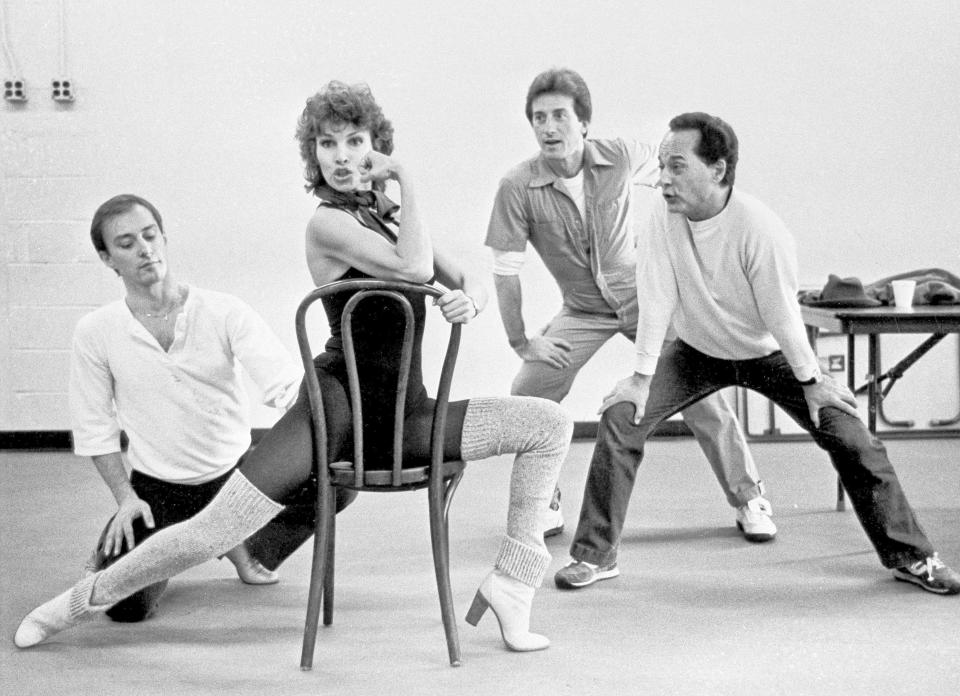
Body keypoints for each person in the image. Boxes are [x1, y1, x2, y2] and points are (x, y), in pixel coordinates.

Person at [15, 81, 572, 652]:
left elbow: (463, 274)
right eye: (327, 145)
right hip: (334, 408)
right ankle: (72, 604)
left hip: (404, 419)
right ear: (315, 156)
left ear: (373, 144)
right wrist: (405, 174)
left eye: (355, 141)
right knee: (216, 529)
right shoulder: (327, 223)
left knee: (547, 424)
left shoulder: (387, 213)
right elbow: (416, 265)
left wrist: (470, 300)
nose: (343, 157)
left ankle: (514, 584)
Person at [553, 112, 960, 595]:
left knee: (849, 434)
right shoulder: (664, 218)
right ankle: (595, 555)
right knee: (622, 415)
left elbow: (782, 315)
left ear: (719, 170)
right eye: (661, 166)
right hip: (696, 351)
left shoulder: (759, 229)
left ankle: (912, 557)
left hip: (767, 353)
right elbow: (657, 296)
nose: (662, 179)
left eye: (677, 166)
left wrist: (813, 383)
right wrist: (640, 377)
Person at [486, 68, 775, 544]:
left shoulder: (619, 156)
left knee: (700, 391)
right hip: (581, 311)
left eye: (560, 115)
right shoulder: (516, 186)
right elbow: (505, 271)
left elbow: (681, 177)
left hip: (643, 298)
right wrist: (522, 342)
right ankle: (544, 502)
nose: (549, 127)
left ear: (583, 123)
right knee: (528, 395)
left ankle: (748, 497)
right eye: (539, 118)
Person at [70, 194, 329, 622]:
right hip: (158, 490)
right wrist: (124, 499)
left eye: (150, 236)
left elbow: (285, 385)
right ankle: (185, 543)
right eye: (127, 243)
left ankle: (244, 545)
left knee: (334, 482)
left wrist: (327, 421)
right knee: (124, 609)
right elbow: (93, 426)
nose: (145, 249)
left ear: (165, 238)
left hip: (239, 481)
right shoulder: (96, 331)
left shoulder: (224, 310)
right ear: (107, 258)